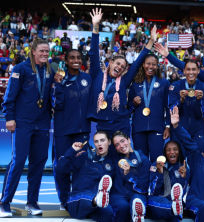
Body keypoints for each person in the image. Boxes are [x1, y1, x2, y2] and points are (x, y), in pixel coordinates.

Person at [0, 38, 55, 217]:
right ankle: (4, 202)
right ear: (33, 51)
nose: (45, 54)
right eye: (42, 51)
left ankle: (32, 202)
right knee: (18, 160)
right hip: (23, 122)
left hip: (43, 123)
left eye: (47, 51)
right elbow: (10, 96)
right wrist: (9, 117)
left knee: (38, 163)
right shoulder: (20, 69)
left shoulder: (50, 70)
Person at [87, 8, 156, 138]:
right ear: (111, 62)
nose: (120, 67)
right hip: (102, 125)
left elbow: (137, 64)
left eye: (123, 67)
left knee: (122, 158)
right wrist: (95, 26)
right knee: (105, 156)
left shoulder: (124, 81)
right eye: (118, 64)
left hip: (121, 124)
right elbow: (93, 53)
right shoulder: (97, 73)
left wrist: (151, 42)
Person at [55, 131, 115, 222]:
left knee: (108, 211)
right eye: (97, 141)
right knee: (86, 196)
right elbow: (60, 169)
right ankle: (96, 200)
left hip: (96, 208)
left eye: (103, 140)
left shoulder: (112, 163)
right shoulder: (83, 157)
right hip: (76, 202)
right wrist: (71, 151)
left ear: (109, 142)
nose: (99, 144)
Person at [52, 49, 93, 209]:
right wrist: (58, 85)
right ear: (66, 60)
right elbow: (56, 104)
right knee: (61, 166)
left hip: (82, 130)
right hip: (62, 130)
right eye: (72, 58)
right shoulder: (59, 78)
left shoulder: (87, 78)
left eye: (78, 57)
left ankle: (76, 197)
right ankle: (63, 200)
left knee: (80, 166)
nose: (76, 60)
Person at [109, 131, 151, 222]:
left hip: (137, 193)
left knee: (138, 198)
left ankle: (138, 210)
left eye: (122, 141)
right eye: (116, 144)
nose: (121, 146)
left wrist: (128, 174)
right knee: (122, 207)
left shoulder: (143, 160)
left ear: (129, 139)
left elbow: (144, 187)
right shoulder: (114, 159)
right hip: (118, 195)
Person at [147, 140, 189, 222]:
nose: (172, 152)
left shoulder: (183, 167)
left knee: (174, 213)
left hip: (174, 205)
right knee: (151, 201)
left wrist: (183, 178)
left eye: (175, 149)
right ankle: (172, 208)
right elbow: (154, 192)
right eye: (168, 150)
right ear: (164, 153)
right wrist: (159, 173)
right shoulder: (156, 165)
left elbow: (182, 193)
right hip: (157, 205)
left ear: (179, 151)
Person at [129, 54, 171, 163]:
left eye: (154, 64)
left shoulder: (164, 83)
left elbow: (168, 106)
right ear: (143, 65)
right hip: (139, 127)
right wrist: (133, 103)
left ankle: (156, 180)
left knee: (157, 160)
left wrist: (167, 126)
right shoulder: (135, 84)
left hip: (157, 127)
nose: (150, 66)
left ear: (157, 66)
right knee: (140, 160)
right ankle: (143, 180)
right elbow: (128, 107)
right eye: (148, 63)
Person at [168, 60, 204, 152]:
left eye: (194, 69)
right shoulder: (175, 86)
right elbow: (172, 111)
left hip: (197, 130)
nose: (191, 72)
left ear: (198, 71)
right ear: (184, 71)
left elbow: (202, 114)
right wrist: (181, 101)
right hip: (178, 129)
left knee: (197, 159)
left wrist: (198, 101)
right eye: (188, 69)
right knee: (178, 161)